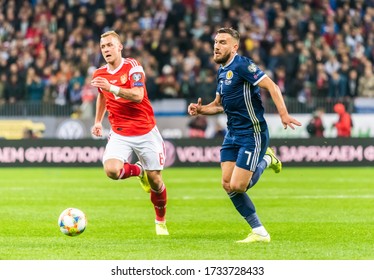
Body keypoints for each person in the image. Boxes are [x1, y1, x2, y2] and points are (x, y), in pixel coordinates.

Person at [188, 27, 301, 243]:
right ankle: (259, 231)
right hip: (232, 134)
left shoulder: (243, 65)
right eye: (215, 42)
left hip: (252, 132)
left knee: (239, 185)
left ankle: (267, 158)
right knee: (227, 183)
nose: (216, 46)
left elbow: (273, 86)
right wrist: (201, 110)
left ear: (234, 47)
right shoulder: (222, 72)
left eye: (222, 42)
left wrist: (284, 114)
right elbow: (218, 105)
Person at [91, 31, 168, 235]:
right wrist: (98, 121)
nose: (106, 49)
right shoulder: (99, 74)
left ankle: (160, 221)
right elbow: (102, 95)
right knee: (112, 170)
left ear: (120, 47)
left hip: (145, 130)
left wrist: (112, 87)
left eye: (109, 45)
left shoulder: (133, 67)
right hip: (119, 132)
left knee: (156, 181)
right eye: (103, 47)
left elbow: (138, 95)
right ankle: (138, 171)